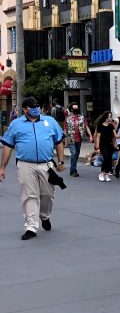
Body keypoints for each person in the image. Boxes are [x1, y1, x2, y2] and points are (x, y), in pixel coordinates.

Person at [0, 96, 66, 240]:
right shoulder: (16, 124)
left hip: (46, 164)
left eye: (37, 106)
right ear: (25, 109)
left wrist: (61, 161)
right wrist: (2, 167)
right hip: (25, 164)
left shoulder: (50, 121)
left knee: (47, 194)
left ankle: (44, 216)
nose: (36, 109)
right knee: (29, 195)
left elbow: (59, 141)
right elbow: (8, 146)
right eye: (32, 107)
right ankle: (31, 226)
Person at [64, 101, 92, 177]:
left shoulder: (81, 117)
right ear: (71, 109)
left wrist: (90, 135)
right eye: (75, 108)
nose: (76, 109)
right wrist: (65, 140)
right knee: (73, 154)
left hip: (79, 138)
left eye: (77, 108)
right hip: (71, 138)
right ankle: (72, 170)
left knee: (76, 154)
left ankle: (73, 169)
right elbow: (65, 130)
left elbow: (86, 126)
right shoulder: (67, 119)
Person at [94, 110, 117, 182]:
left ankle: (106, 174)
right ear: (106, 118)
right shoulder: (100, 125)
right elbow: (98, 137)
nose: (111, 118)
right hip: (103, 144)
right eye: (110, 116)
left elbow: (114, 135)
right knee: (106, 157)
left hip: (110, 144)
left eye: (111, 116)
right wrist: (97, 147)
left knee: (110, 159)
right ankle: (101, 173)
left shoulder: (111, 126)